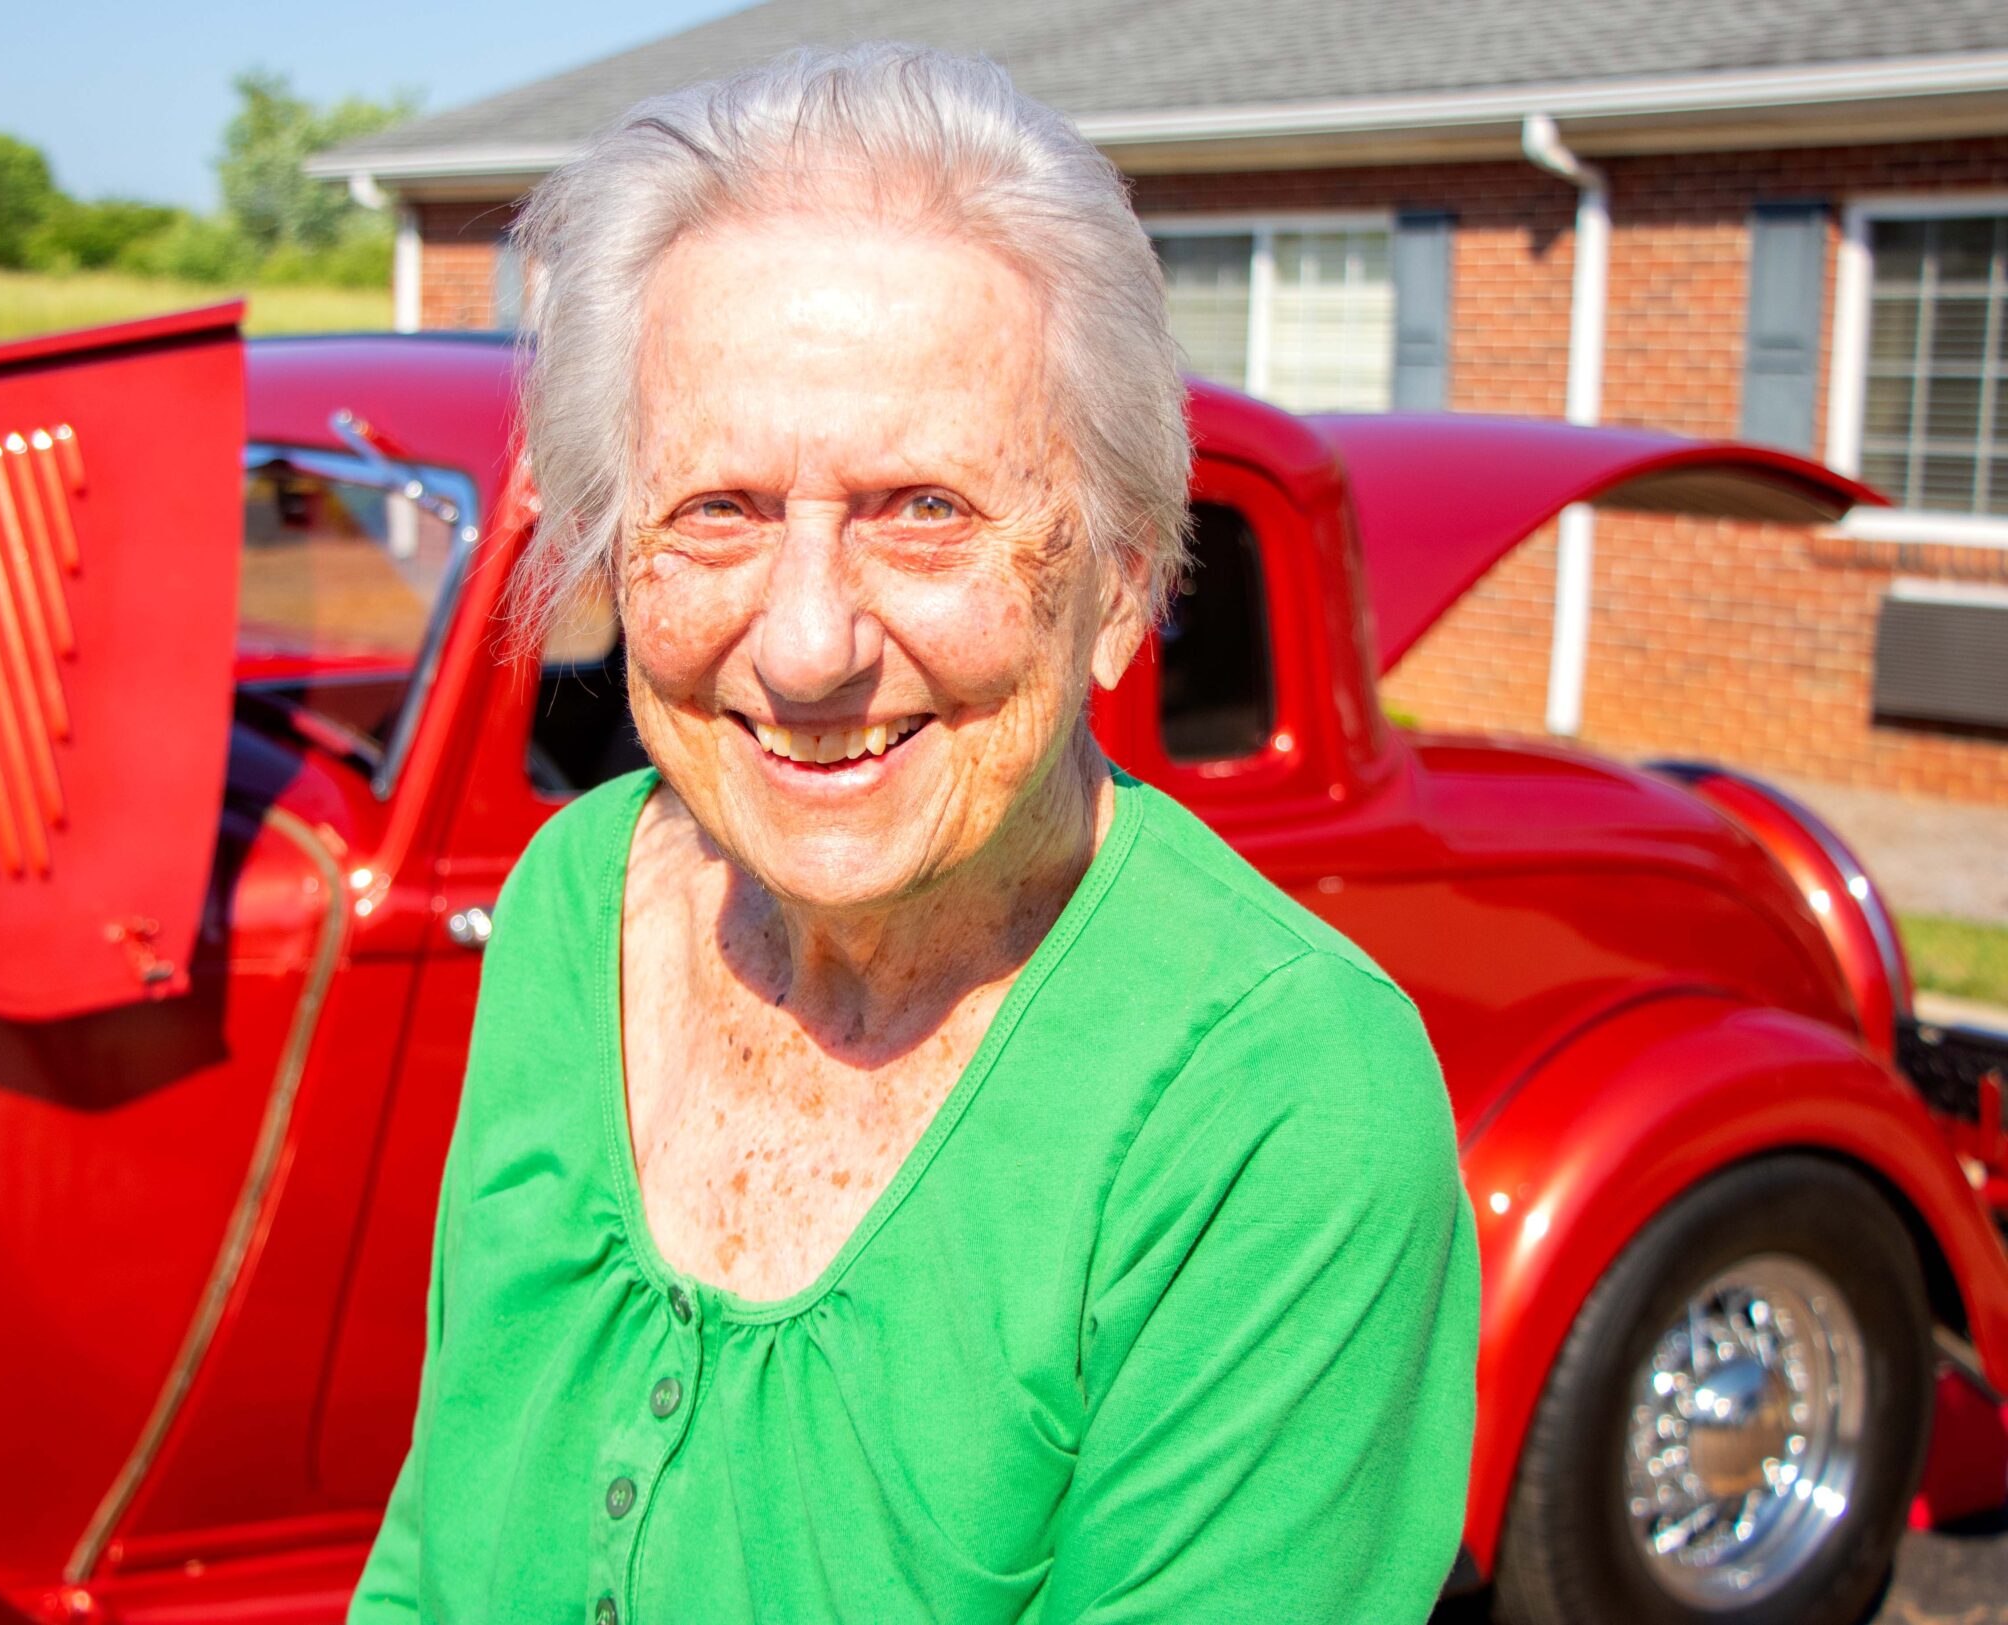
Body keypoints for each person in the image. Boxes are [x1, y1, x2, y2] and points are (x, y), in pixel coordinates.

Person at [351, 43, 1477, 1624]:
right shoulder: (572, 904)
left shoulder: (1281, 1105)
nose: (808, 648)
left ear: (1120, 585)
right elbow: (438, 1540)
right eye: (716, 510)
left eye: (924, 508)